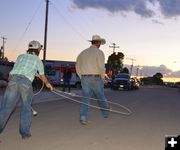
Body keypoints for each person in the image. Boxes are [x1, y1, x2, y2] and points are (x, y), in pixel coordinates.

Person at [0, 40, 53, 139]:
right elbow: (42, 76)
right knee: (26, 108)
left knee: (6, 108)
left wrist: (10, 83)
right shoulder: (37, 60)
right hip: (26, 83)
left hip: (13, 80)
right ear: (38, 50)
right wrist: (47, 84)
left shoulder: (20, 56)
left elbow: (11, 74)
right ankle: (24, 133)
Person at [76, 35, 110, 125]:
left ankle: (83, 117)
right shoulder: (99, 52)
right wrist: (103, 77)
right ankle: (106, 113)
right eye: (100, 43)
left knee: (85, 99)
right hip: (95, 77)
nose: (100, 45)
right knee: (100, 96)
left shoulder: (82, 53)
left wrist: (81, 76)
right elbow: (101, 66)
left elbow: (77, 66)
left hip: (84, 78)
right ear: (98, 43)